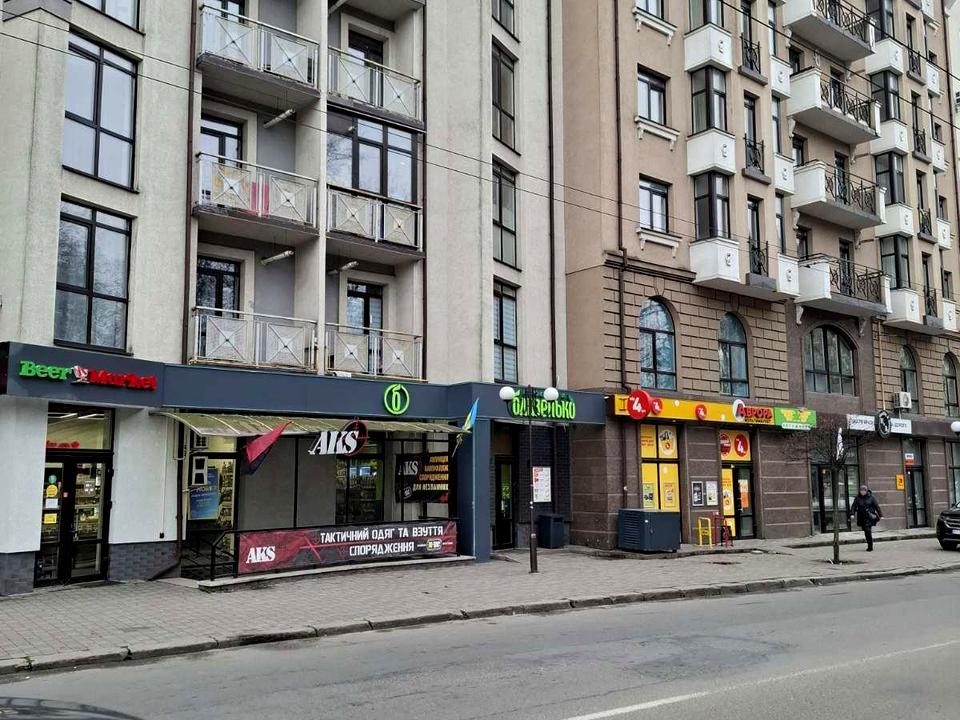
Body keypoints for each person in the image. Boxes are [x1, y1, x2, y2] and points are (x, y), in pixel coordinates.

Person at [850, 485, 882, 551]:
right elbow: (853, 506)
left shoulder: (871, 497)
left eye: (864, 491)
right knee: (866, 531)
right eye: (861, 490)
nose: (862, 492)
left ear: (866, 491)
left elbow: (877, 506)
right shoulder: (857, 498)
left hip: (869, 517)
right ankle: (869, 542)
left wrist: (881, 515)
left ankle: (870, 546)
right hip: (861, 517)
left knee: (868, 531)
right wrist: (852, 514)